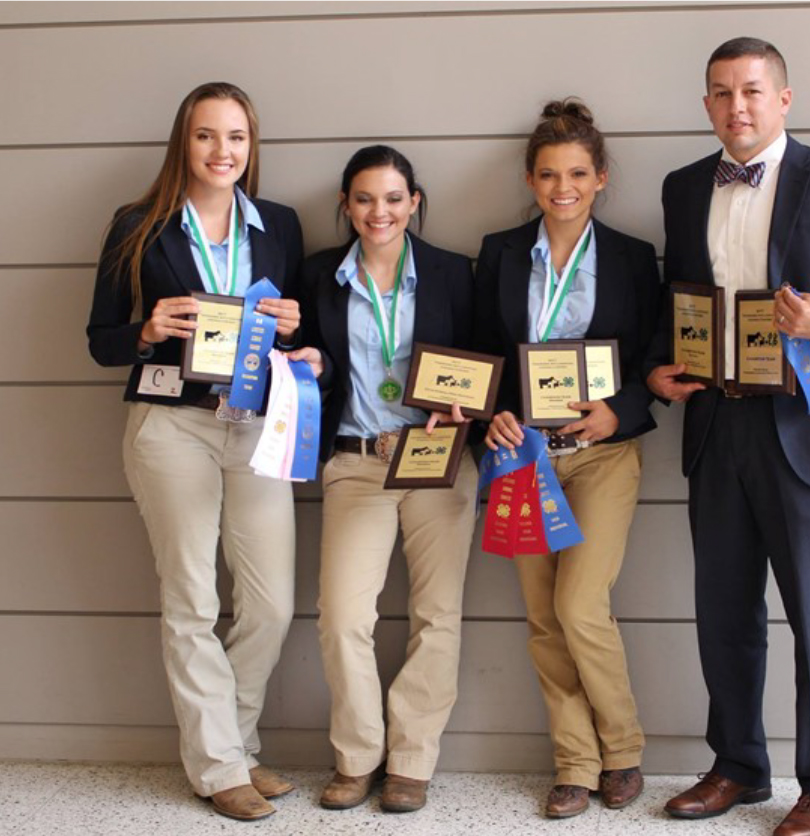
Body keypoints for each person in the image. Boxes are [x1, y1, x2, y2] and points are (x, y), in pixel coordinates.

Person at [647, 38, 810, 836]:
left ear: (785, 99)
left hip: (807, 423)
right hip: (717, 421)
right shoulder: (682, 187)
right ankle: (737, 765)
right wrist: (664, 367)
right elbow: (679, 296)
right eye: (723, 94)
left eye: (754, 91)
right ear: (706, 106)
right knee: (723, 610)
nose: (739, 106)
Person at [87, 82, 303, 822]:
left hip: (255, 426)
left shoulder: (278, 225)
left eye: (236, 137)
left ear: (253, 145)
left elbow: (298, 345)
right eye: (207, 136)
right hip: (170, 427)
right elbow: (99, 341)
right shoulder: (138, 226)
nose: (223, 152)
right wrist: (147, 329)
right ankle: (217, 767)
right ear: (184, 142)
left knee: (270, 604)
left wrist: (294, 326)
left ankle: (234, 745)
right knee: (192, 599)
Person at [474, 100, 661, 819]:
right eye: (549, 174)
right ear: (529, 179)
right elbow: (482, 353)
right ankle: (576, 764)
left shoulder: (633, 258)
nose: (563, 188)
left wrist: (624, 409)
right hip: (524, 459)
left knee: (581, 606)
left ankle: (624, 750)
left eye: (578, 173)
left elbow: (656, 356)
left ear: (601, 177)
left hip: (603, 456)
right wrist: (492, 417)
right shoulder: (497, 253)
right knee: (543, 617)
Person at [292, 145, 477, 814]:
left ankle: (412, 760)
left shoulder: (454, 273)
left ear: (414, 204)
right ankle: (358, 755)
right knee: (341, 617)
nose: (380, 212)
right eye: (365, 199)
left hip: (438, 458)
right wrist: (308, 360)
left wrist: (468, 404)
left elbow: (486, 359)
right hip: (358, 462)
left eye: (394, 199)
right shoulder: (318, 276)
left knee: (437, 614)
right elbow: (310, 362)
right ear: (346, 206)